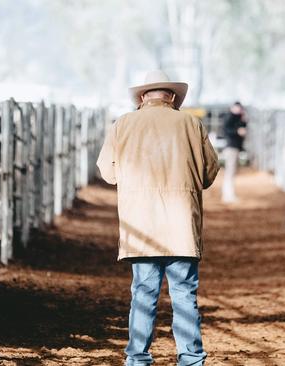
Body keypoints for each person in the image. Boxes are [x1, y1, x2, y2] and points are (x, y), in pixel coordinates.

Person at [97, 70, 219, 366]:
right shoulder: (191, 124)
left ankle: (138, 358)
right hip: (181, 226)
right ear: (173, 97)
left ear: (142, 97)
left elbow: (108, 172)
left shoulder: (123, 124)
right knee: (184, 294)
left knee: (143, 292)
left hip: (141, 226)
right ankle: (190, 359)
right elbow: (209, 172)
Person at [221, 102, 247, 203]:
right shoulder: (229, 117)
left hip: (234, 148)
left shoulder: (237, 117)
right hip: (231, 148)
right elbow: (227, 130)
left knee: (231, 172)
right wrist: (237, 131)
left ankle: (228, 194)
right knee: (230, 172)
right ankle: (228, 195)